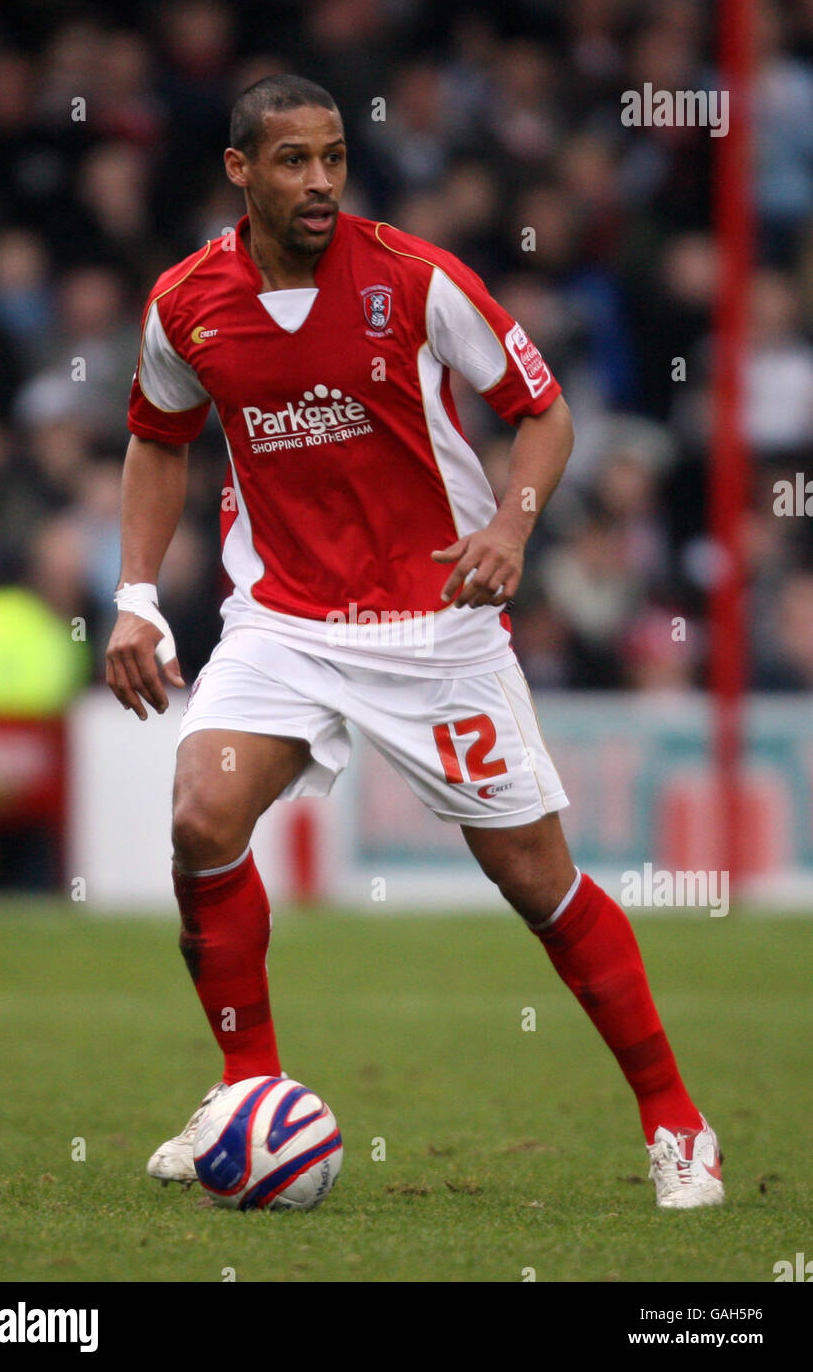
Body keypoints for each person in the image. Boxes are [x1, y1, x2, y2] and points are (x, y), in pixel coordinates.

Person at [106, 76, 722, 1211]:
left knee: (535, 879)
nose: (321, 182)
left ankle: (675, 1117)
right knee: (200, 812)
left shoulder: (412, 278)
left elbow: (544, 411)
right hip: (281, 621)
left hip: (434, 626)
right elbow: (158, 440)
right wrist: (138, 593)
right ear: (241, 171)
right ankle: (246, 1089)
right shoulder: (187, 303)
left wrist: (507, 526)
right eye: (292, 160)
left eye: (334, 157)